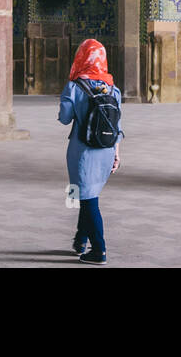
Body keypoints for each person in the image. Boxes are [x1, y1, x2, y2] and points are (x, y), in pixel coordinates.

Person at [58, 39, 123, 265]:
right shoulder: (113, 89)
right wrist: (117, 153)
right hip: (105, 151)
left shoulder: (74, 87)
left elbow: (64, 119)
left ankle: (99, 250)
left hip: (82, 152)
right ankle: (80, 239)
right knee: (85, 195)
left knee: (87, 199)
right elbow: (118, 127)